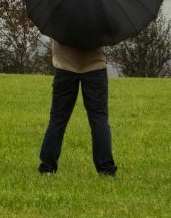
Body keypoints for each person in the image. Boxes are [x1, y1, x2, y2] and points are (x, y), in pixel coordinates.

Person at [38, 39, 117, 176]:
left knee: (58, 118)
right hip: (95, 66)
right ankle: (106, 169)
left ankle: (47, 167)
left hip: (64, 65)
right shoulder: (98, 17)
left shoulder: (60, 16)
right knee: (99, 119)